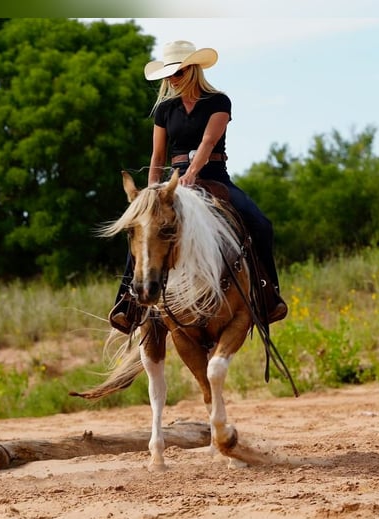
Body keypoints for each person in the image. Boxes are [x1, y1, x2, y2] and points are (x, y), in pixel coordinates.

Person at [110, 40, 287, 334]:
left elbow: (207, 143)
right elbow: (157, 155)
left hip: (215, 177)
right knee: (143, 229)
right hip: (173, 182)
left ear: (192, 70)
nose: (171, 80)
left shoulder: (218, 102)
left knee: (260, 224)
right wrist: (151, 195)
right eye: (168, 75)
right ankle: (128, 303)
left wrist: (192, 172)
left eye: (176, 74)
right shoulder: (165, 109)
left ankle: (268, 296)